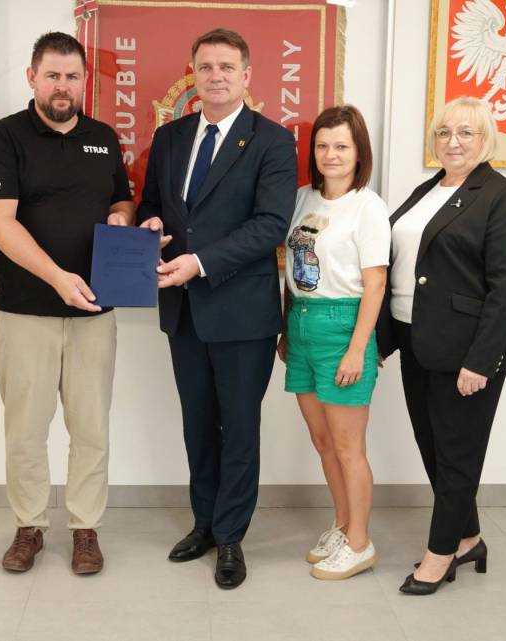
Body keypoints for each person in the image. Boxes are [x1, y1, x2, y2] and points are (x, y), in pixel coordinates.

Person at [137, 28, 297, 589]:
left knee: (239, 428)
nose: (216, 76)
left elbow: (270, 225)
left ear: (247, 76)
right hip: (182, 312)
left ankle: (231, 536)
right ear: (193, 74)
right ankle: (203, 524)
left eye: (227, 67)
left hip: (242, 313)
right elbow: (153, 204)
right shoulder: (170, 137)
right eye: (206, 67)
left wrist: (199, 262)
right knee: (198, 425)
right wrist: (151, 224)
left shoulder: (273, 142)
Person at [0, 31, 134, 576]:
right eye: (52, 76)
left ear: (84, 81)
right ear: (32, 78)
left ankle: (86, 528)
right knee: (26, 430)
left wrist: (122, 220)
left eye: (72, 76)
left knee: (91, 429)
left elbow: (121, 199)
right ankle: (30, 526)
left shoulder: (103, 137)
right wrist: (59, 278)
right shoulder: (2, 137)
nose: (62, 86)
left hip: (95, 312)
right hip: (25, 312)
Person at [376, 96, 506, 595]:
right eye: (444, 132)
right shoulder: (427, 190)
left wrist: (481, 361)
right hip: (416, 338)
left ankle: (440, 553)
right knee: (433, 446)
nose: (453, 141)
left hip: (467, 348)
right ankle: (469, 538)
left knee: (458, 453)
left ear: (486, 138)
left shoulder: (504, 196)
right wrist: (383, 339)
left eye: (466, 132)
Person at [277, 105, 389, 580]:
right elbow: (289, 266)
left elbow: (376, 282)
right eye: (322, 145)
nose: (331, 154)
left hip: (343, 325)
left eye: (341, 146)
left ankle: (361, 543)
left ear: (359, 151)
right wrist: (286, 327)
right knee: (323, 441)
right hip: (301, 322)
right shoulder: (302, 198)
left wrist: (357, 349)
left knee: (348, 447)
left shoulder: (368, 206)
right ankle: (343, 527)